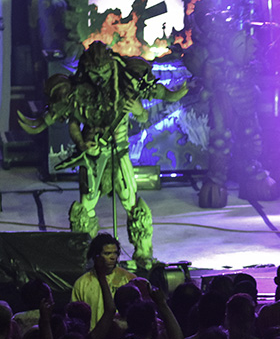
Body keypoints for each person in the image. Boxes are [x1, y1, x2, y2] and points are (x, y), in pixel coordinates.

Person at [18, 41, 188, 268]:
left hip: (120, 153)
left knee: (131, 201)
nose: (99, 78)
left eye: (104, 72)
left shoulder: (127, 88)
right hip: (94, 157)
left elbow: (147, 114)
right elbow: (73, 125)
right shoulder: (78, 93)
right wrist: (83, 143)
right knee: (86, 206)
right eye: (95, 73)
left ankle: (143, 253)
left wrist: (137, 110)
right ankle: (83, 256)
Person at [71, 233, 136, 332]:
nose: (112, 257)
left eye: (115, 253)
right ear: (96, 256)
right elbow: (75, 318)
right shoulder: (82, 283)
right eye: (107, 253)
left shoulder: (129, 279)